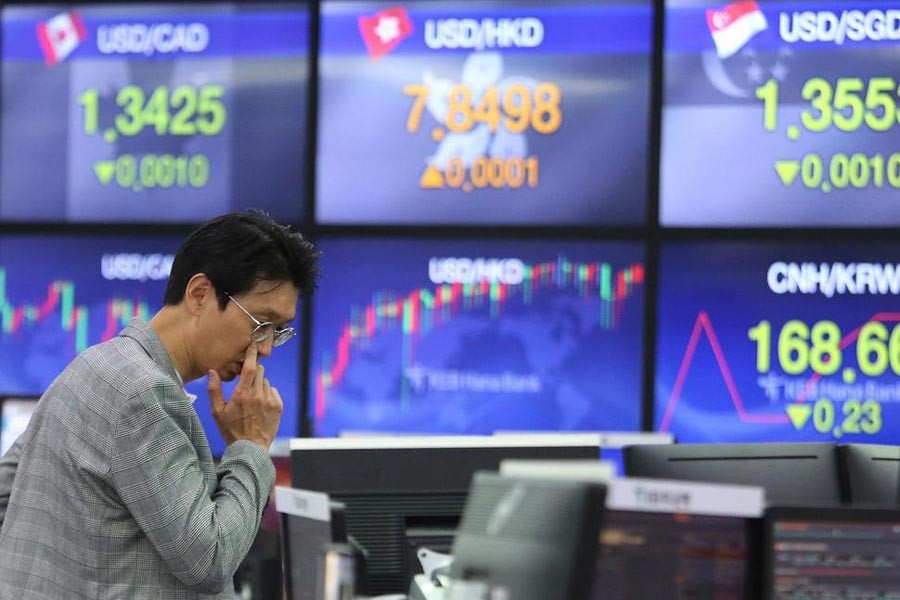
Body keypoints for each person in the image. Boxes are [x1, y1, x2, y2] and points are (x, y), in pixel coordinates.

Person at [0, 211, 320, 599]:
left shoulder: (94, 365)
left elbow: (8, 494)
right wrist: (251, 445)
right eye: (261, 323)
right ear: (200, 294)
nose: (266, 347)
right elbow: (210, 562)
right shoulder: (143, 395)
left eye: (278, 332)